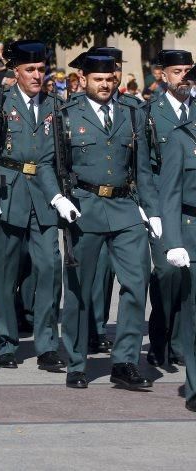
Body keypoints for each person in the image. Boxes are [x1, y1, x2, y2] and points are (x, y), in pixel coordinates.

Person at [0, 40, 71, 372]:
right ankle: (7, 342)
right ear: (16, 72)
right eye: (30, 70)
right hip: (7, 193)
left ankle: (46, 343)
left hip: (44, 196)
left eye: (42, 70)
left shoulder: (56, 105)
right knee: (4, 273)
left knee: (49, 270)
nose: (37, 75)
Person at [59, 54, 159, 389]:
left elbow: (141, 167)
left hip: (124, 208)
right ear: (83, 79)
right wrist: (60, 200)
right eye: (98, 79)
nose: (105, 84)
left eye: (110, 78)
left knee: (136, 282)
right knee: (79, 289)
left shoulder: (132, 112)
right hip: (84, 206)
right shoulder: (67, 114)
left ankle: (126, 361)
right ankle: (76, 362)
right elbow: (54, 163)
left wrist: (152, 209)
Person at [146, 49, 194, 367]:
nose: (184, 78)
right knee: (166, 273)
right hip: (162, 207)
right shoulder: (149, 113)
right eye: (177, 72)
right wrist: (151, 211)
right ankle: (159, 337)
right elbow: (143, 166)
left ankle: (180, 343)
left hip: (190, 209)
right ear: (162, 75)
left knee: (188, 278)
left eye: (188, 71)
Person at [158, 64, 196, 412]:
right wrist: (173, 240)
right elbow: (169, 193)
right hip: (192, 229)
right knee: (195, 313)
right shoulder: (183, 137)